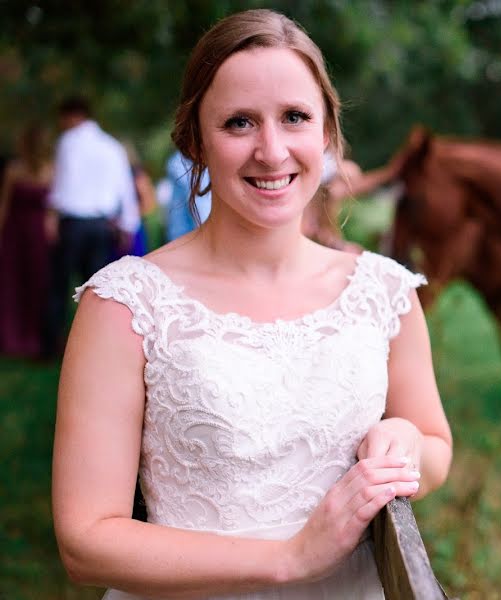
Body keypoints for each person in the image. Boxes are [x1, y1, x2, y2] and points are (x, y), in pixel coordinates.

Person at [52, 8, 452, 599]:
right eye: (239, 122)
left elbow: (436, 449)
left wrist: (405, 442)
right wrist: (290, 558)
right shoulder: (125, 304)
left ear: (326, 133)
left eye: (294, 117)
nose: (271, 150)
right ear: (196, 140)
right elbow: (85, 540)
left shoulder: (384, 293)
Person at [44, 96, 141, 357]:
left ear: (72, 116)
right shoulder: (112, 147)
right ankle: (94, 344)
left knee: (59, 286)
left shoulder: (68, 142)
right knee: (96, 289)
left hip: (73, 223)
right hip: (102, 226)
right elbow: (125, 189)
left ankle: (52, 345)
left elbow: (61, 184)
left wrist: (51, 216)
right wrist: (128, 225)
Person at [0, 123, 53, 358]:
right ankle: (26, 337)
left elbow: (4, 206)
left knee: (21, 282)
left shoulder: (18, 169)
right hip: (32, 231)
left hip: (21, 230)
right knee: (30, 281)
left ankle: (19, 337)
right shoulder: (48, 170)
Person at [162, 149, 212, 241]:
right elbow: (199, 206)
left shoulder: (176, 161)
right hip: (190, 237)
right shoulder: (182, 163)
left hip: (180, 235)